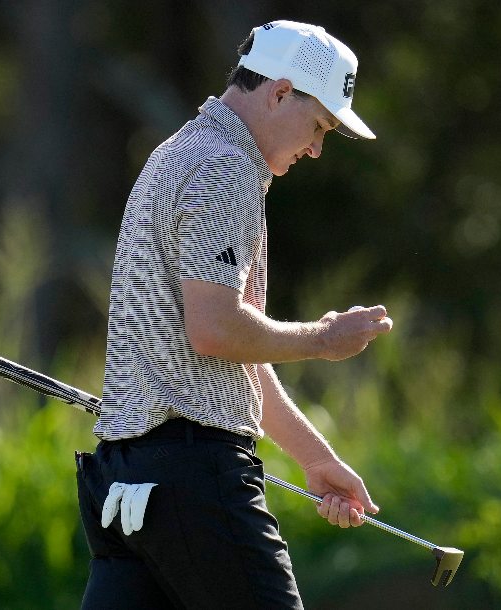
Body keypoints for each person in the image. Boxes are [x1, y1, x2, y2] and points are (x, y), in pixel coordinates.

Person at [74, 20, 392, 609]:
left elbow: (226, 352)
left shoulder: (177, 152)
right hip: (195, 481)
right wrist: (324, 338)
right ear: (278, 92)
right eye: (318, 125)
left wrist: (316, 460)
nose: (317, 147)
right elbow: (216, 330)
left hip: (124, 478)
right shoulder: (226, 169)